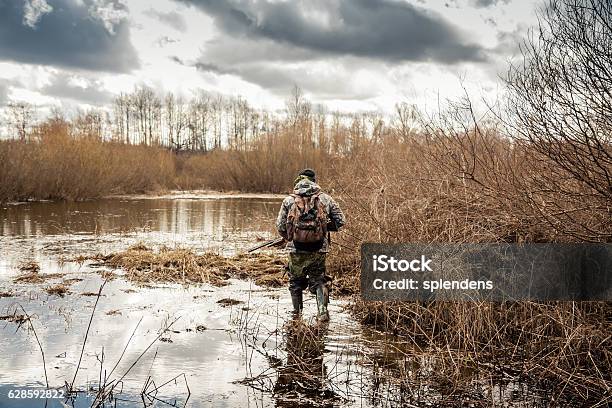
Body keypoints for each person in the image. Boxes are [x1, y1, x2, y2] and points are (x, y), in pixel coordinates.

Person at [276, 168, 345, 321]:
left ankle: (296, 316)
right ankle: (322, 312)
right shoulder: (325, 199)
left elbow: (280, 226)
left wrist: (288, 236)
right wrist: (324, 227)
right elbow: (341, 221)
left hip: (296, 249)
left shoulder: (289, 200)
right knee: (319, 280)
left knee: (295, 282)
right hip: (319, 248)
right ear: (314, 181)